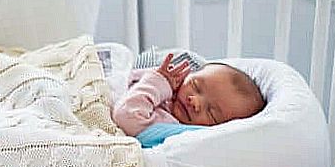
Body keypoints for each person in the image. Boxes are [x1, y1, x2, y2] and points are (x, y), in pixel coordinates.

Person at [111, 53, 265, 136]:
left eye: (211, 112)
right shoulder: (168, 81)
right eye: (195, 85)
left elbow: (125, 116)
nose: (195, 102)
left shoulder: (170, 127)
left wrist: (157, 83)